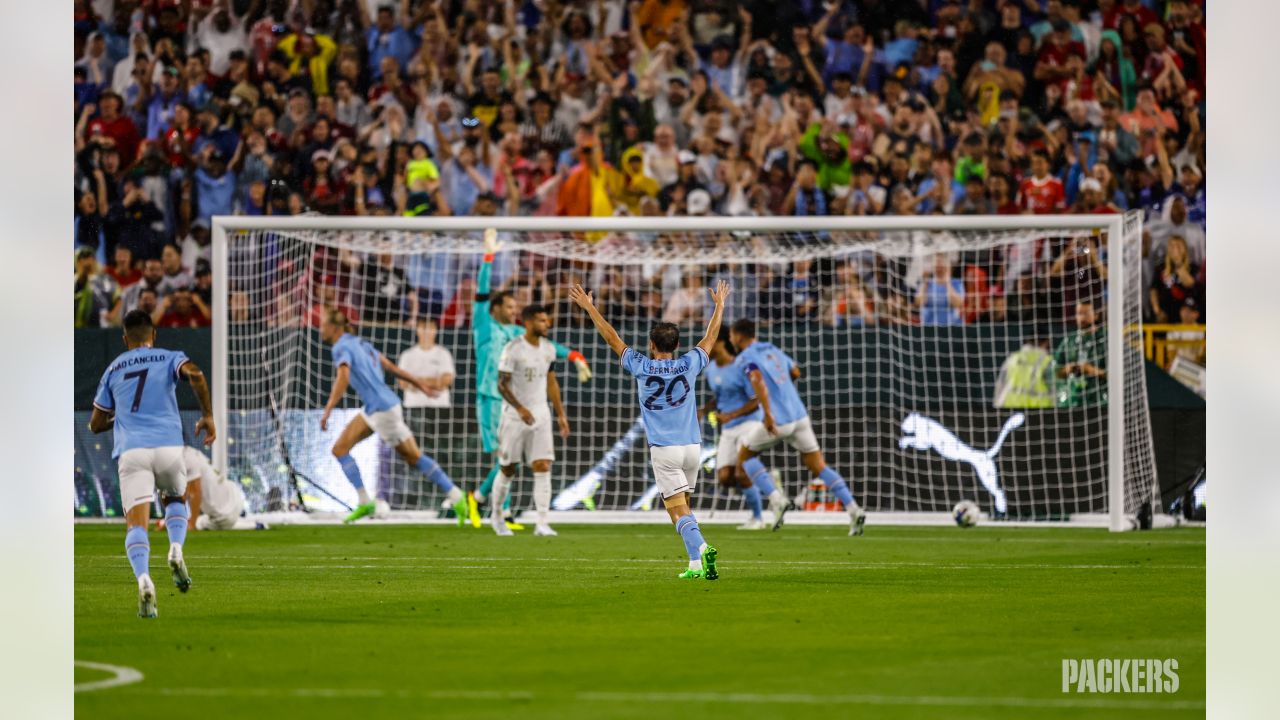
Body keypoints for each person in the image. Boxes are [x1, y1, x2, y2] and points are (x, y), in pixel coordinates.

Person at [568, 280, 730, 580]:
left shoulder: (640, 365)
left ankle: (704, 546)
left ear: (652, 345)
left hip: (664, 449)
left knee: (676, 508)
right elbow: (710, 337)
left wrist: (589, 307)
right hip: (693, 447)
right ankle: (695, 563)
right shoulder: (690, 363)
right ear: (678, 345)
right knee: (682, 506)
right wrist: (719, 305)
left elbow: (612, 338)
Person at [89, 310, 215, 617]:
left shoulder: (113, 368)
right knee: (175, 498)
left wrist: (122, 418)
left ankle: (144, 580)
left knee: (137, 525)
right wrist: (208, 415)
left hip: (132, 452)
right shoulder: (169, 357)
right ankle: (176, 549)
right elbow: (196, 375)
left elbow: (95, 424)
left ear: (124, 339)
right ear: (154, 334)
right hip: (169, 446)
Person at [467, 230, 591, 529]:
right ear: (496, 309)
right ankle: (493, 507)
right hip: (490, 397)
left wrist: (572, 355)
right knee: (505, 457)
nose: (512, 311)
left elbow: (547, 347)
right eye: (508, 307)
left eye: (514, 308)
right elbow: (482, 293)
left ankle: (484, 501)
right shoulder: (484, 324)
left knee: (511, 459)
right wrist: (488, 257)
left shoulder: (514, 334)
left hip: (515, 400)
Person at [318, 310, 466, 524]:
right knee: (340, 449)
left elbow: (343, 376)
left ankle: (456, 496)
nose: (320, 329)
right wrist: (420, 385)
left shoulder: (340, 347)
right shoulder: (361, 343)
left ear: (334, 328)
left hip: (382, 410)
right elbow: (391, 367)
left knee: (413, 457)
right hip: (377, 407)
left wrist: (329, 409)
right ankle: (365, 501)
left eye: (323, 324)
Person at [731, 318, 866, 536]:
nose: (731, 340)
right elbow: (795, 372)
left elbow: (756, 378)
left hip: (778, 420)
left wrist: (768, 413)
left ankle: (777, 499)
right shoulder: (772, 349)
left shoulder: (746, 357)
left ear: (738, 335)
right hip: (799, 415)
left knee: (744, 457)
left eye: (731, 336)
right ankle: (853, 509)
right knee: (819, 466)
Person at [489, 305, 572, 537]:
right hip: (515, 416)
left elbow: (551, 382)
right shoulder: (513, 349)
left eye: (547, 320)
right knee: (508, 468)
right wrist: (520, 408)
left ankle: (542, 522)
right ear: (528, 323)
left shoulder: (548, 349)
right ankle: (496, 517)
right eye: (542, 321)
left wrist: (561, 414)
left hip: (541, 414)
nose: (547, 324)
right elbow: (501, 384)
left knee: (543, 465)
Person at [700, 326, 767, 530]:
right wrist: (705, 410)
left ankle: (758, 518)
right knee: (725, 478)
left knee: (741, 471)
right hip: (729, 428)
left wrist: (731, 415)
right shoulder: (710, 370)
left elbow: (756, 400)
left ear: (720, 343)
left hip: (750, 422)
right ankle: (762, 480)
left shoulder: (740, 366)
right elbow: (721, 398)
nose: (705, 346)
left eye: (709, 341)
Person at [1054, 301, 1108, 408]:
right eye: (1079, 313)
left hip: (1099, 403)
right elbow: (1055, 370)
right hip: (1071, 401)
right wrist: (1067, 369)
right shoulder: (1069, 340)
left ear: (1096, 315)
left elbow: (1118, 376)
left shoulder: (1107, 339)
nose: (1082, 318)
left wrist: (1090, 370)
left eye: (1086, 314)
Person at [181, 446, 246, 531]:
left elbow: (195, 493)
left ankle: (255, 525)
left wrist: (191, 523)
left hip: (226, 511)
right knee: (202, 521)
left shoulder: (186, 458)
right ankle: (256, 524)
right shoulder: (190, 452)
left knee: (202, 524)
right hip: (232, 492)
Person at [397, 317, 455, 409]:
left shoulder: (444, 353)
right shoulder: (407, 355)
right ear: (417, 330)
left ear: (435, 330)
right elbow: (403, 383)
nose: (427, 331)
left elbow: (446, 381)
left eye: (430, 328)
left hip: (439, 406)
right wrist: (434, 383)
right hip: (413, 406)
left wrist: (416, 383)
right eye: (423, 327)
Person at [993, 336, 1056, 409]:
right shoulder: (1048, 361)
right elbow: (1055, 388)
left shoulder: (1013, 358)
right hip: (1039, 407)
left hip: (1011, 405)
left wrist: (997, 405)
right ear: (1046, 342)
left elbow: (1001, 385)